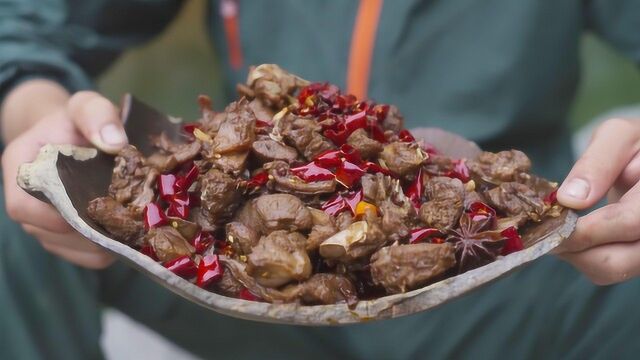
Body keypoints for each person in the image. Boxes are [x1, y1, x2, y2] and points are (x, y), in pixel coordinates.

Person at [1, 1, 639, 358]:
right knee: (16, 206)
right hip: (230, 277)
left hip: (505, 278)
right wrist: (33, 109)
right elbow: (25, 25)